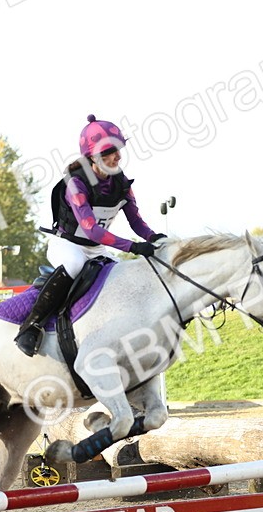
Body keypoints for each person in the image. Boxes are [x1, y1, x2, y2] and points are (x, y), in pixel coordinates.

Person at [14, 114, 166, 356]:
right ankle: (31, 326)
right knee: (74, 265)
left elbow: (136, 222)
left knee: (126, 279)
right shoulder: (76, 183)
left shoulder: (122, 183)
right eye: (111, 151)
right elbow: (92, 230)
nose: (118, 156)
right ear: (94, 156)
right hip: (68, 245)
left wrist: (153, 237)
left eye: (119, 150)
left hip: (97, 249)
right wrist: (134, 248)